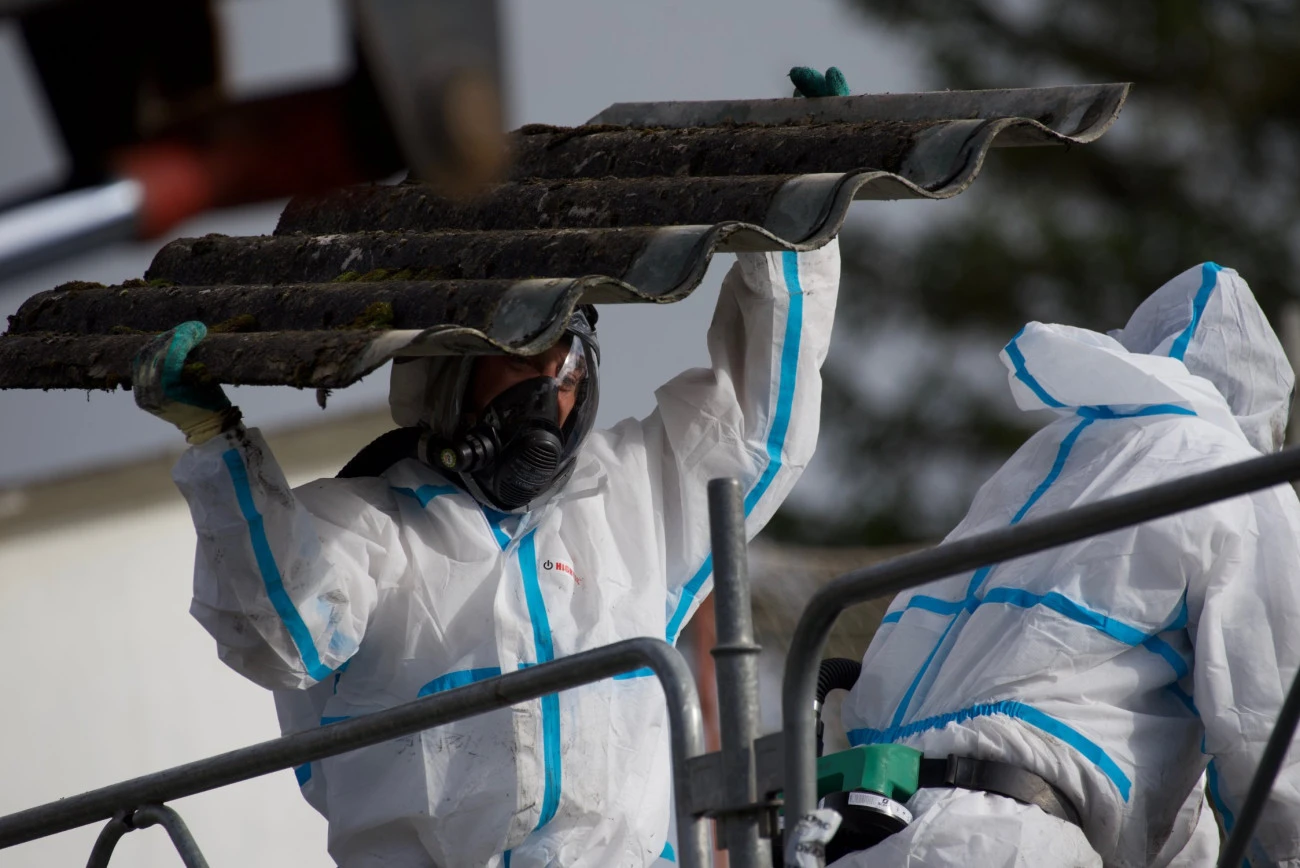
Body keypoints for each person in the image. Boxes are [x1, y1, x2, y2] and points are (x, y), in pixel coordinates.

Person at [132, 227, 840, 864]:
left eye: (563, 373)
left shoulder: (629, 495)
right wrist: (216, 445)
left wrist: (794, 233)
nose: (544, 399)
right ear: (451, 380)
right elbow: (283, 631)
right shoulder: (368, 527)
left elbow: (754, 428)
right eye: (517, 367)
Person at [833, 262, 1300, 867]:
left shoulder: (1042, 462)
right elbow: (1274, 739)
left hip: (862, 831)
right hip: (1009, 840)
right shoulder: (1237, 479)